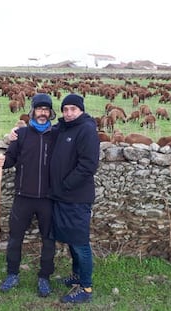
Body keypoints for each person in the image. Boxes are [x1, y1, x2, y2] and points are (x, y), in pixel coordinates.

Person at [0, 93, 57, 297]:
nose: (43, 113)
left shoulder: (56, 135)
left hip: (48, 198)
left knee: (48, 240)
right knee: (15, 238)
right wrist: (2, 161)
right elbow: (11, 158)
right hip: (23, 196)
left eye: (46, 110)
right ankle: (12, 274)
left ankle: (44, 278)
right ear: (32, 111)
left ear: (51, 113)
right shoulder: (21, 135)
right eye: (39, 109)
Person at [50, 94, 100, 304]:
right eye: (65, 109)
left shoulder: (86, 130)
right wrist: (18, 131)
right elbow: (43, 132)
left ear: (80, 110)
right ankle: (77, 276)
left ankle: (86, 288)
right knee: (71, 240)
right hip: (63, 196)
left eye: (73, 109)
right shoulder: (64, 128)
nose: (68, 113)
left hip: (76, 197)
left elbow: (88, 165)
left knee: (80, 243)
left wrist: (65, 184)